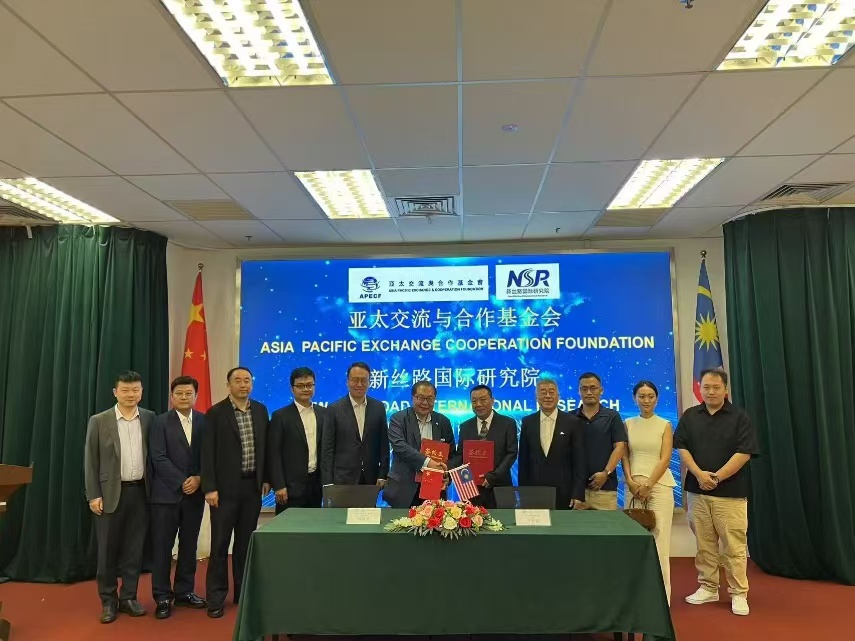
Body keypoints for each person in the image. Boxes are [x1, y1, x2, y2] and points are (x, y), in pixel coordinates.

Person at [675, 369, 758, 617]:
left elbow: (744, 452)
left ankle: (738, 593)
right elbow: (682, 448)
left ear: (725, 390)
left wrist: (717, 477)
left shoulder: (739, 417)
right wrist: (699, 475)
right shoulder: (691, 416)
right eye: (706, 387)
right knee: (704, 545)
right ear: (700, 388)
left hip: (730, 494)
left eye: (716, 387)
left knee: (734, 547)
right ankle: (708, 587)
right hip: (697, 492)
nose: (711, 392)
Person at [84, 370, 154, 624]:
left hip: (141, 493)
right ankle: (108, 601)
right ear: (115, 392)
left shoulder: (149, 418)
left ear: (141, 392)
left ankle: (129, 597)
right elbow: (90, 460)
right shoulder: (99, 421)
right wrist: (93, 494)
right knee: (107, 552)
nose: (130, 395)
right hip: (109, 494)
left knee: (134, 550)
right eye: (125, 390)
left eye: (135, 390)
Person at [201, 367, 270, 619]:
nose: (243, 385)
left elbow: (266, 448)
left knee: (244, 544)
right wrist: (210, 487)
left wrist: (266, 478)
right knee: (220, 545)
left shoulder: (260, 410)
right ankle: (216, 597)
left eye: (247, 380)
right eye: (237, 381)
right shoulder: (216, 413)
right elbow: (207, 452)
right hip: (223, 490)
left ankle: (242, 593)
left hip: (252, 488)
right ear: (228, 385)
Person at [148, 375, 207, 619]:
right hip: (166, 495)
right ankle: (162, 596)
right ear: (172, 397)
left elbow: (210, 455)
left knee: (189, 545)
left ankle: (184, 591)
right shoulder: (159, 422)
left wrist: (200, 478)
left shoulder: (204, 421)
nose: (184, 397)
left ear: (196, 396)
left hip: (195, 495)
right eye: (179, 394)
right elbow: (158, 456)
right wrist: (182, 481)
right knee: (162, 547)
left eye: (188, 393)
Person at [622, 380, 676, 604]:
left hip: (659, 488)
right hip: (632, 489)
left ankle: (661, 599)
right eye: (642, 396)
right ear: (634, 398)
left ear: (657, 398)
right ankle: (636, 596)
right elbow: (624, 456)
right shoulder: (627, 423)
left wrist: (649, 485)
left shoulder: (664, 424)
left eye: (650, 396)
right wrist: (630, 481)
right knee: (634, 542)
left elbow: (665, 458)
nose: (646, 400)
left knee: (659, 543)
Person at [518, 378, 587, 509]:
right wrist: (523, 494)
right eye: (543, 392)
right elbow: (524, 461)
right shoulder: (528, 422)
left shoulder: (573, 422)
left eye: (551, 392)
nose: (548, 396)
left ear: (558, 396)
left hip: (565, 492)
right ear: (536, 397)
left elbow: (580, 461)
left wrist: (578, 494)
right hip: (535, 491)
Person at [384, 380, 454, 508]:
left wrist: (447, 475)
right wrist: (428, 463)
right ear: (413, 398)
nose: (425, 403)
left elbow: (451, 454)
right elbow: (400, 446)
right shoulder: (398, 418)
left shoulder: (443, 422)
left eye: (430, 399)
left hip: (434, 488)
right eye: (421, 398)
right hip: (404, 489)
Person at [321, 362, 389, 488]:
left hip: (371, 478)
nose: (359, 384)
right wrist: (328, 481)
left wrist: (382, 474)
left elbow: (384, 444)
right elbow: (327, 448)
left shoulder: (378, 407)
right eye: (355, 380)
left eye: (364, 380)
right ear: (348, 381)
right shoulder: (334, 409)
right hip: (342, 478)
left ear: (369, 382)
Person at [268, 367, 325, 513]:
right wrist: (279, 485)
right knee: (288, 527)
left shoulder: (323, 413)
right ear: (292, 389)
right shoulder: (280, 416)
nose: (305, 389)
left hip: (316, 487)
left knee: (314, 525)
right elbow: (274, 454)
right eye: (300, 386)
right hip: (289, 489)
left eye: (309, 385)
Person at [457, 384, 518, 508]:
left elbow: (511, 453)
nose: (478, 404)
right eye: (474, 401)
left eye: (483, 399)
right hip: (472, 490)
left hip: (500, 487)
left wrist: (493, 476)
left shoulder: (508, 423)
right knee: (471, 520)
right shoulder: (465, 426)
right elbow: (460, 456)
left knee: (505, 519)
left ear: (492, 400)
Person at [576, 372, 627, 510]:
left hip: (605, 489)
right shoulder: (570, 418)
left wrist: (605, 473)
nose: (589, 392)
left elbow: (620, 447)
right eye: (584, 388)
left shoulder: (612, 416)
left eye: (593, 388)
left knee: (605, 525)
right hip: (576, 491)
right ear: (579, 391)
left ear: (601, 390)